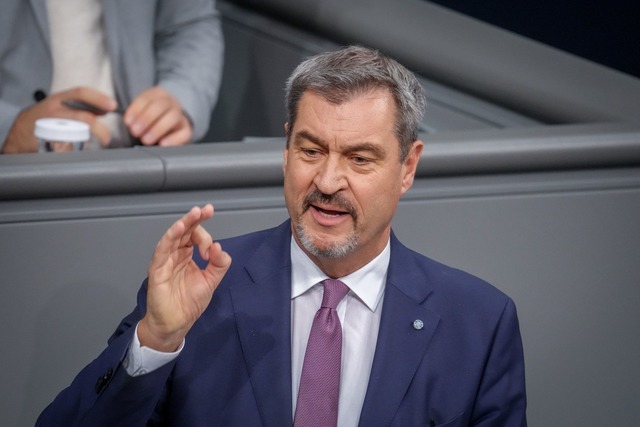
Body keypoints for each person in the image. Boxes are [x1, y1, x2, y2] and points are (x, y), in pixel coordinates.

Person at [36, 45, 527, 426]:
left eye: (359, 159)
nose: (328, 182)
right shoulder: (200, 293)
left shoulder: (479, 323)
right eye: (311, 150)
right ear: (286, 148)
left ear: (407, 166)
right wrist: (157, 340)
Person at [0, 0, 223, 153]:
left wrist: (181, 94)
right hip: (14, 173)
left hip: (136, 158)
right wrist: (8, 128)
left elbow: (191, 22)